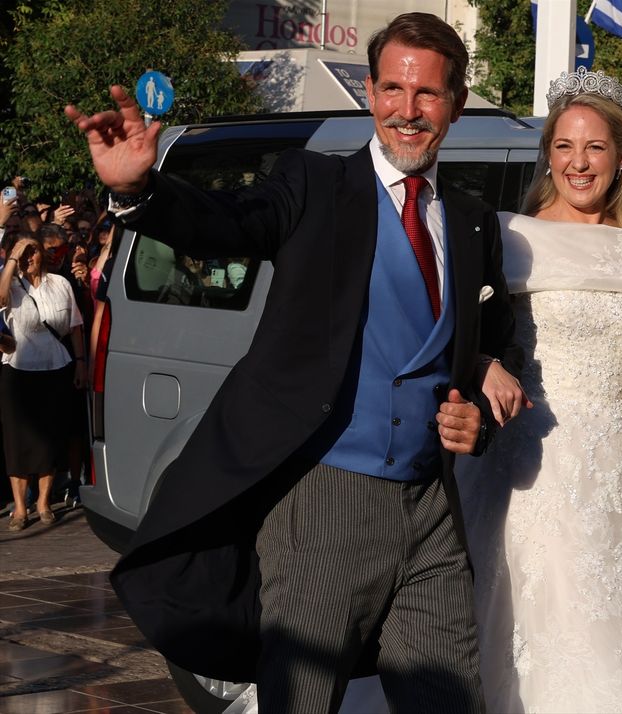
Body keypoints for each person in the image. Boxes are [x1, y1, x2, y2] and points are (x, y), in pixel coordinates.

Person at [66, 12, 521, 714]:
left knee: (451, 700)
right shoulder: (313, 184)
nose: (408, 111)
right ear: (369, 92)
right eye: (394, 90)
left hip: (432, 508)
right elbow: (229, 223)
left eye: (427, 94)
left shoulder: (470, 223)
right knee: (301, 701)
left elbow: (483, 349)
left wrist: (475, 417)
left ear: (455, 104)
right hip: (324, 501)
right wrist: (139, 191)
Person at [459, 68, 622, 713]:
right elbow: (466, 340)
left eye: (595, 148)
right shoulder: (512, 238)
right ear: (548, 153)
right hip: (532, 467)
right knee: (539, 630)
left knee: (611, 630)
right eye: (565, 146)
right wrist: (485, 366)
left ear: (621, 158)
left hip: (614, 479)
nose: (579, 163)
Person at [0, 234, 87, 531]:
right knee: (17, 442)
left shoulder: (61, 284)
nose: (29, 259)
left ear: (42, 254)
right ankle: (21, 509)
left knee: (49, 439)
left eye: (32, 252)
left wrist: (81, 363)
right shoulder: (11, 286)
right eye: (23, 255)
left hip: (56, 367)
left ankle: (43, 502)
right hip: (18, 370)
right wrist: (12, 258)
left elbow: (75, 327)